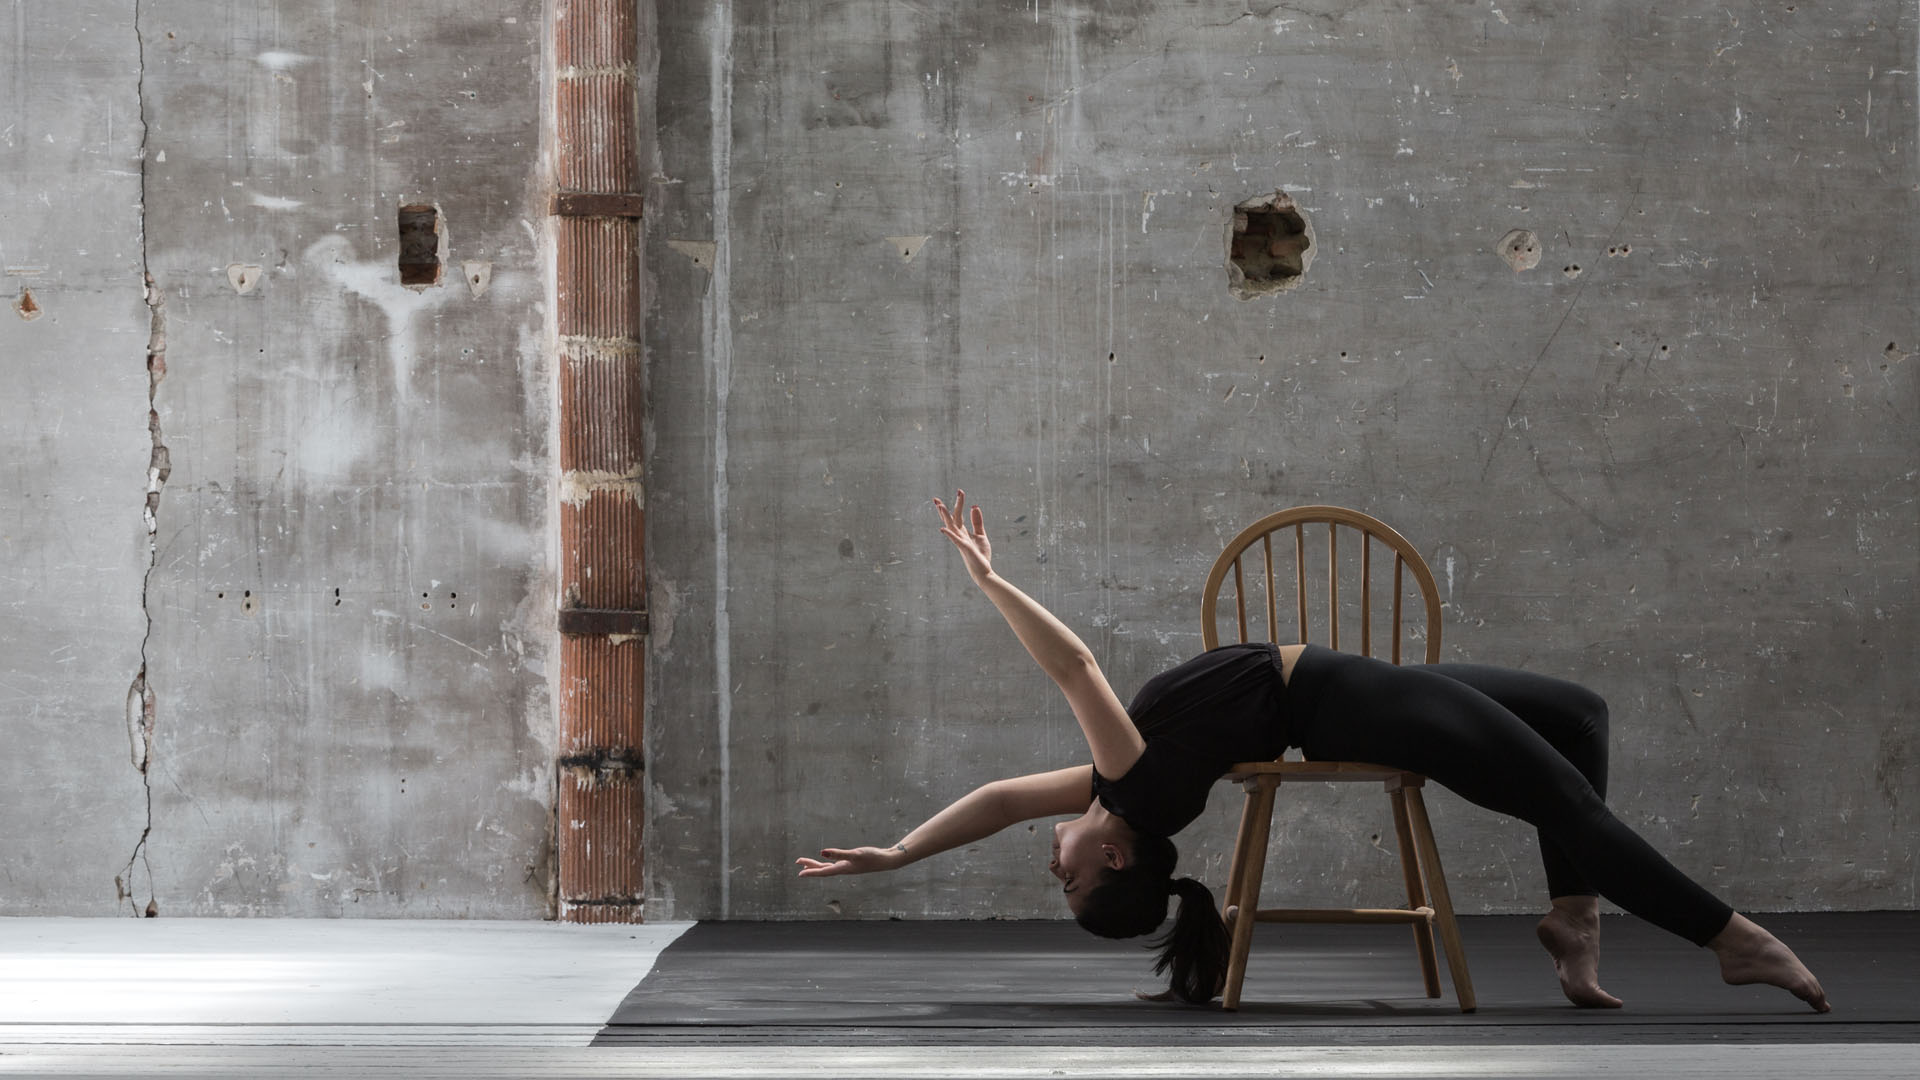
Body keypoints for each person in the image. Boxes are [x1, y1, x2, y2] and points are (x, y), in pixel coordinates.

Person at [796, 491, 1830, 1013]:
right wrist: (987, 581)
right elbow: (1072, 669)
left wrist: (896, 852)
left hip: (1349, 694)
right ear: (1115, 860)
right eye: (1065, 887)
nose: (1049, 864)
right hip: (1349, 706)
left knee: (1578, 715)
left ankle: (1572, 917)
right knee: (1568, 801)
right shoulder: (1138, 784)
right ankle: (1729, 938)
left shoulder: (1123, 785)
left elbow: (996, 797)